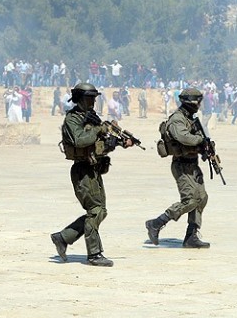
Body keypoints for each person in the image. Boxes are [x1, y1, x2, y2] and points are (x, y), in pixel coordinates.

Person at [50, 83, 132, 267]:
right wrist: (98, 130)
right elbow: (80, 140)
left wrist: (116, 143)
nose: (93, 101)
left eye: (94, 98)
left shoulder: (90, 117)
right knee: (95, 211)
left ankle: (63, 237)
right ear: (80, 99)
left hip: (94, 169)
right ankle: (94, 254)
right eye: (90, 98)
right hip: (82, 170)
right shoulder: (72, 119)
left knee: (100, 211)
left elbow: (99, 145)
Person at [145, 88, 210, 249]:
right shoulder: (177, 119)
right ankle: (157, 223)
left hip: (192, 164)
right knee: (190, 200)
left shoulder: (190, 119)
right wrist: (200, 140)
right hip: (182, 165)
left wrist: (206, 148)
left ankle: (191, 236)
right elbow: (183, 137)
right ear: (190, 103)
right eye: (197, 102)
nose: (199, 105)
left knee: (201, 198)